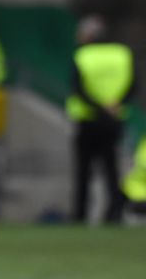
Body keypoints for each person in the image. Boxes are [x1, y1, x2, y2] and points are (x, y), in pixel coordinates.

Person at [66, 15, 135, 224]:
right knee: (111, 169)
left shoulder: (83, 56)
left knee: (83, 171)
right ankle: (114, 213)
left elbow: (79, 89)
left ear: (89, 35)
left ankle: (80, 215)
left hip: (89, 119)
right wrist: (115, 104)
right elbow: (134, 85)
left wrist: (99, 107)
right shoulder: (122, 53)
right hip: (114, 120)